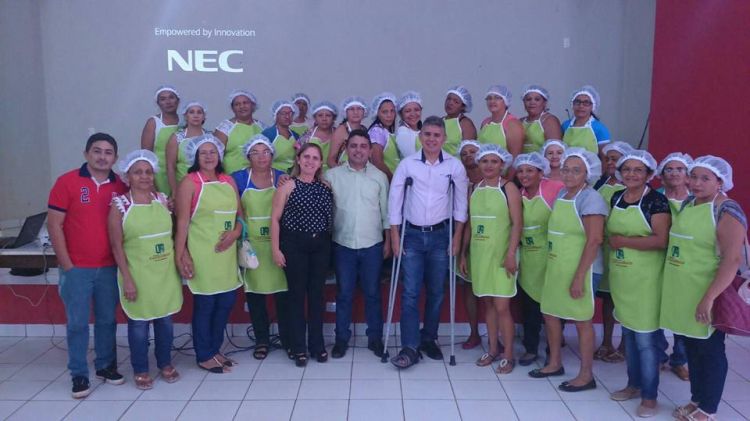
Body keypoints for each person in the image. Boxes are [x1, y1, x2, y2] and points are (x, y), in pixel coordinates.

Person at [662, 156, 746, 421]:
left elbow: (732, 259)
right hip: (682, 290)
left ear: (720, 182)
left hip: (708, 291)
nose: (696, 183)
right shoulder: (690, 203)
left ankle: (708, 408)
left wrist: (709, 297)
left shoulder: (727, 210)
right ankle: (696, 398)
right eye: (694, 177)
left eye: (705, 178)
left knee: (710, 351)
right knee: (692, 347)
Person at [48, 133, 128, 398]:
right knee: (77, 324)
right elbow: (54, 225)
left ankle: (105, 366)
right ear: (86, 154)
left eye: (108, 152)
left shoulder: (121, 186)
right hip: (77, 268)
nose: (102, 157)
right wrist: (67, 264)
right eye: (97, 151)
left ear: (115, 158)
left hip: (109, 267)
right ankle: (79, 374)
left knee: (107, 320)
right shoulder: (67, 182)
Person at [388, 116, 468, 368]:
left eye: (436, 135)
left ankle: (429, 338)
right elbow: (394, 202)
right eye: (427, 134)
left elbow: (461, 205)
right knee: (410, 292)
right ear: (420, 137)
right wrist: (395, 236)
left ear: (444, 138)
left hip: (440, 235)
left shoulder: (454, 166)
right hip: (411, 235)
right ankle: (409, 346)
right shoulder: (407, 165)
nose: (432, 139)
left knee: (436, 291)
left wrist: (456, 237)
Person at [531, 147, 608, 393]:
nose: (569, 174)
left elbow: (594, 240)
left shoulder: (591, 199)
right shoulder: (562, 194)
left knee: (581, 320)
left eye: (576, 171)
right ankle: (554, 363)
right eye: (566, 169)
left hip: (582, 269)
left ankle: (586, 375)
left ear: (588, 173)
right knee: (551, 314)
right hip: (557, 265)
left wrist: (579, 277)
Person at [109, 150, 182, 390]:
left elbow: (172, 235)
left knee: (165, 322)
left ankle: (165, 363)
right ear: (127, 176)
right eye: (138, 172)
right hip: (138, 275)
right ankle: (140, 369)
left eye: (148, 172)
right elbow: (116, 246)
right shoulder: (120, 205)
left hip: (164, 274)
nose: (144, 176)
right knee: (139, 325)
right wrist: (127, 279)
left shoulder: (163, 200)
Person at [606, 150, 670, 417]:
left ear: (649, 174)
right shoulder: (617, 197)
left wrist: (624, 241)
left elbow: (661, 240)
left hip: (646, 281)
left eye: (638, 170)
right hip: (623, 278)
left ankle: (650, 397)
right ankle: (633, 384)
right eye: (627, 169)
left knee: (645, 341)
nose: (631, 174)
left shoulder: (656, 201)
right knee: (629, 337)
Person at [174, 134, 243, 374]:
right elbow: (182, 222)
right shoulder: (189, 182)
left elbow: (240, 216)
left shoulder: (228, 181)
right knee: (206, 304)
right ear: (195, 157)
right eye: (203, 153)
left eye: (213, 152)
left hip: (227, 255)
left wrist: (235, 233)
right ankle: (204, 354)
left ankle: (215, 349)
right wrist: (181, 254)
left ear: (220, 155)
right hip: (202, 253)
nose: (208, 156)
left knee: (226, 302)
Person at [325, 129, 390, 359]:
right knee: (344, 294)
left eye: (363, 146)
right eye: (353, 146)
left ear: (370, 150)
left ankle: (375, 338)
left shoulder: (379, 177)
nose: (358, 150)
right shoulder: (332, 176)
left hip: (373, 245)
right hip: (342, 245)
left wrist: (388, 242)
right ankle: (341, 339)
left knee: (373, 293)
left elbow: (386, 213)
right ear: (346, 148)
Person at [271, 143, 334, 367]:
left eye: (315, 158)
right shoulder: (288, 186)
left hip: (320, 246)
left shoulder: (325, 186)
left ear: (320, 163)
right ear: (298, 159)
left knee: (317, 296)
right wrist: (276, 249)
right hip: (294, 245)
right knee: (296, 297)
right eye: (306, 156)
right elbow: (275, 219)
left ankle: (317, 345)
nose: (310, 161)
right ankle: (298, 347)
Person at [460, 145, 522, 374]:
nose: (488, 165)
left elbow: (517, 224)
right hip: (480, 255)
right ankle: (493, 349)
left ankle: (508, 355)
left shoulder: (508, 188)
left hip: (501, 256)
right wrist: (464, 253)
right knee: (487, 303)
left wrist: (510, 254)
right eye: (484, 161)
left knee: (502, 306)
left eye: (494, 161)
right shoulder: (474, 188)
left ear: (502, 164)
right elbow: (470, 223)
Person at [231, 135, 291, 360]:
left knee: (283, 295)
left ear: (272, 154)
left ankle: (287, 338)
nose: (261, 157)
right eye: (255, 153)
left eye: (265, 151)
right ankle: (262, 340)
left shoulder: (282, 178)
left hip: (278, 244)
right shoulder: (238, 179)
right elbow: (234, 210)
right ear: (248, 156)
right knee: (255, 296)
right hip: (251, 246)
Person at [514, 152, 564, 366]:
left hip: (551, 255)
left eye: (530, 170)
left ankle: (553, 351)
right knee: (529, 308)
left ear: (541, 172)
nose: (524, 175)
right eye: (520, 171)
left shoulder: (555, 188)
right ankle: (531, 348)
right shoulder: (518, 193)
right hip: (528, 257)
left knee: (553, 306)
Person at [593, 140, 634, 364]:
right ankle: (606, 342)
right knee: (608, 297)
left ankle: (625, 345)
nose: (610, 162)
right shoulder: (600, 183)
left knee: (624, 298)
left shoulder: (630, 188)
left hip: (623, 249)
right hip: (602, 248)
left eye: (615, 159)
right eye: (607, 158)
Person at [654, 152, 694, 381]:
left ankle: (679, 359)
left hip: (686, 263)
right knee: (656, 307)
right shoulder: (655, 197)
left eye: (679, 169)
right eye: (669, 169)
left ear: (688, 174)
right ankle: (659, 355)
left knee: (682, 308)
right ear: (661, 174)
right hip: (657, 259)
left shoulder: (696, 200)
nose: (674, 173)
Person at [457, 140, 482, 350]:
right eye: (464, 153)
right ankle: (474, 333)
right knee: (469, 288)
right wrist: (462, 252)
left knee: (494, 294)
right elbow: (464, 220)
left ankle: (498, 337)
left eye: (472, 151)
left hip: (493, 242)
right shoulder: (460, 182)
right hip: (467, 241)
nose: (468, 155)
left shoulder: (495, 182)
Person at [140, 85, 180, 196]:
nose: (168, 102)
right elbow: (146, 156)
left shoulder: (185, 121)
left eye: (171, 97)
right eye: (163, 99)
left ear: (178, 101)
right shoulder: (153, 123)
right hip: (160, 176)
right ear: (158, 103)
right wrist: (151, 184)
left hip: (182, 173)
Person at [214, 90, 264, 174]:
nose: (242, 106)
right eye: (237, 104)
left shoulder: (262, 127)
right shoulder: (225, 128)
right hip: (231, 176)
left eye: (245, 103)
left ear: (253, 105)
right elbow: (215, 155)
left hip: (259, 176)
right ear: (232, 108)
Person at [165, 101, 209, 195]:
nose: (196, 115)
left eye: (199, 112)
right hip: (183, 185)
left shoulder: (210, 137)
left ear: (204, 117)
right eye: (191, 112)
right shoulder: (176, 138)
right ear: (185, 116)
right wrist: (174, 191)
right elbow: (170, 166)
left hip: (206, 185)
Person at [561, 85, 611, 154]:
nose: (581, 106)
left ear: (593, 106)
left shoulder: (599, 128)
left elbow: (604, 156)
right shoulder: (565, 125)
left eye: (586, 103)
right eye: (577, 102)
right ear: (572, 105)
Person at [477, 85, 524, 158]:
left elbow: (515, 157)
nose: (492, 101)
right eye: (489, 98)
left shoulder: (512, 124)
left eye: (497, 98)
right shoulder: (485, 122)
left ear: (506, 101)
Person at [520, 85, 563, 153]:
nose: (532, 102)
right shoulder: (520, 121)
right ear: (524, 102)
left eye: (537, 99)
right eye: (528, 99)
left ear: (544, 103)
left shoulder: (550, 120)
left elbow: (554, 150)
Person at [327, 96, 368, 168]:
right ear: (345, 112)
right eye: (351, 109)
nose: (356, 112)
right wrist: (341, 173)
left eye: (359, 108)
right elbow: (330, 160)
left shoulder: (364, 129)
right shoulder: (341, 131)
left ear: (364, 111)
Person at [262, 100, 301, 173]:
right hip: (273, 174)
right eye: (283, 113)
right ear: (276, 115)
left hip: (293, 174)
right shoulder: (268, 134)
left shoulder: (295, 135)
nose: (287, 116)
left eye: (290, 113)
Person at [368, 92, 400, 180]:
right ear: (377, 113)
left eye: (392, 111)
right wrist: (393, 180)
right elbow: (377, 162)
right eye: (385, 112)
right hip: (384, 181)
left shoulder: (387, 132)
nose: (389, 115)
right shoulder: (377, 132)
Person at [300, 101, 338, 172]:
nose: (324, 119)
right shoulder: (308, 134)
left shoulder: (338, 134)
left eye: (328, 115)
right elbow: (299, 155)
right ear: (315, 118)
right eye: (320, 115)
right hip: (310, 172)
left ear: (334, 118)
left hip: (333, 173)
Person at [443, 86, 477, 156]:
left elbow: (468, 152)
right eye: (448, 99)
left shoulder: (465, 124)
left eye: (456, 102)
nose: (450, 103)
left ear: (463, 106)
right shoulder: (439, 121)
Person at [394, 91, 423, 158]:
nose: (413, 114)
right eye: (408, 111)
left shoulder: (421, 130)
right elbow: (412, 158)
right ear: (401, 114)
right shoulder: (403, 133)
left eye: (416, 110)